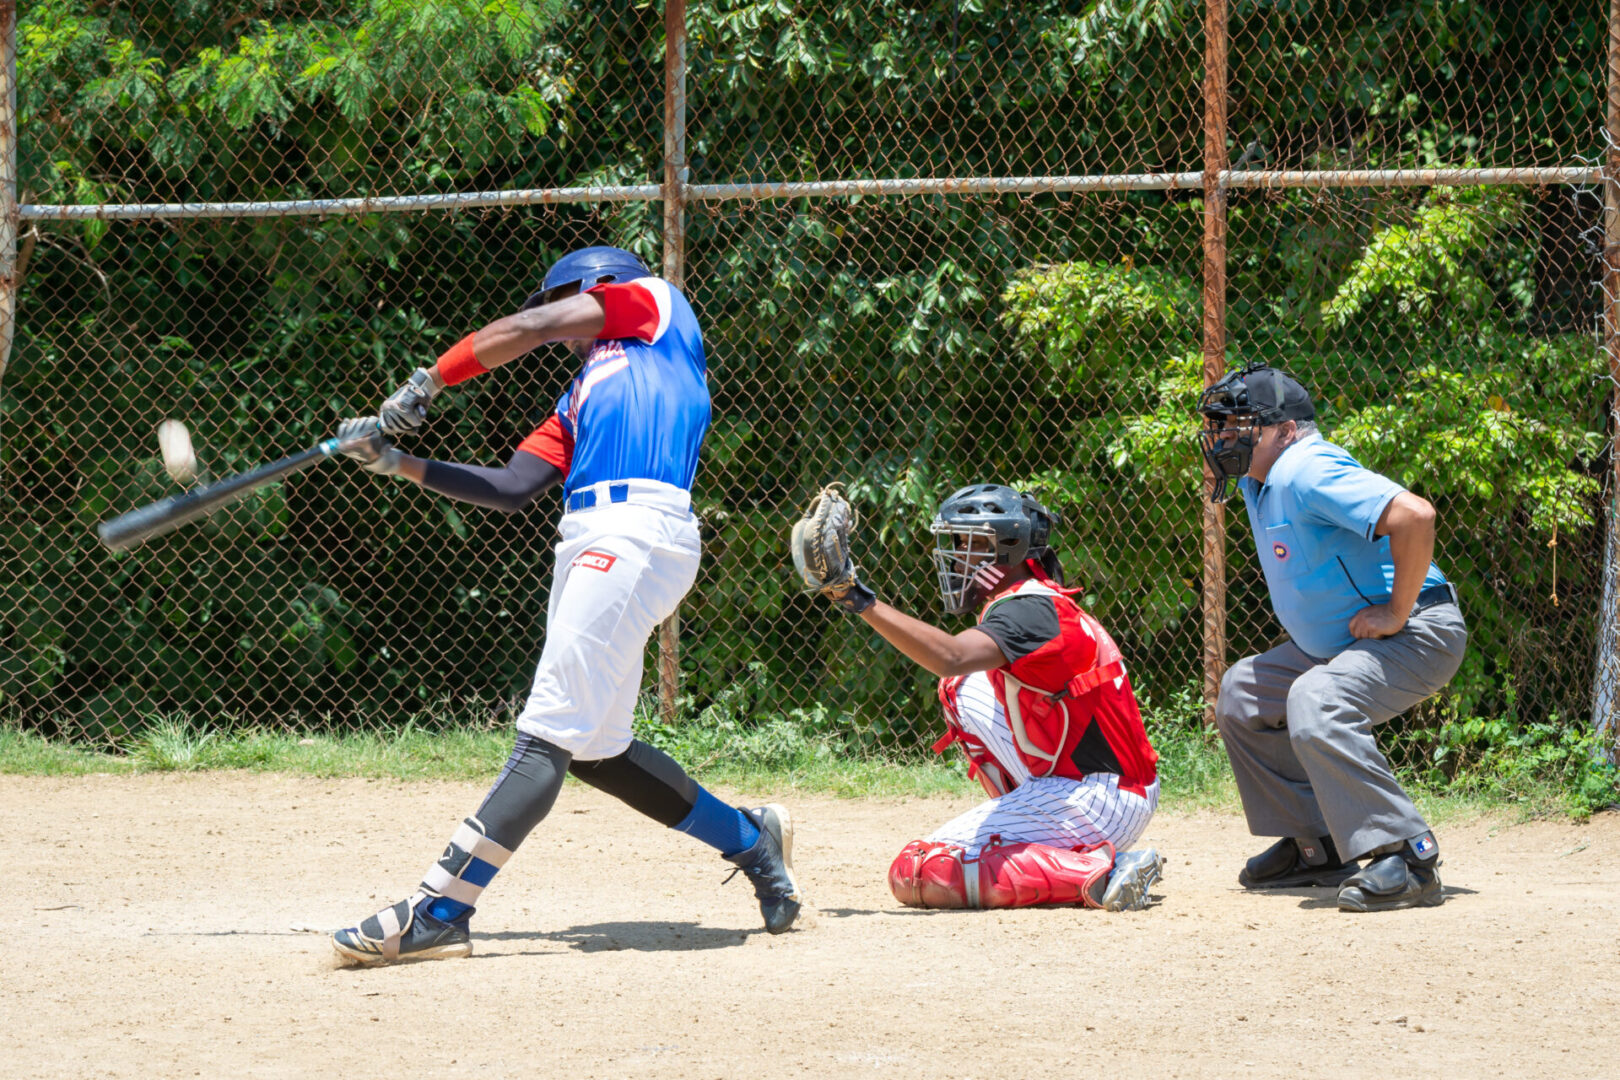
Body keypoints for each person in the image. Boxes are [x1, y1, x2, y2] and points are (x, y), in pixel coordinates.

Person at [328, 246, 801, 965]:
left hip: (636, 528)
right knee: (596, 751)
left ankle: (441, 908)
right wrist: (396, 462)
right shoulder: (580, 393)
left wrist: (428, 381)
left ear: (597, 287)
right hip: (589, 537)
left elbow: (539, 325)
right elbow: (513, 485)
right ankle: (750, 836)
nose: (561, 323)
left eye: (564, 303)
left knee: (545, 732)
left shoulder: (654, 306)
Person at [812, 483, 1164, 911]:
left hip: (1100, 799)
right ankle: (1037, 834)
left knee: (918, 872)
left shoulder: (1030, 611)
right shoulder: (1029, 600)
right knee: (962, 689)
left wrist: (856, 598)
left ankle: (1105, 872)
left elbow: (949, 655)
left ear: (1007, 550)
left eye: (968, 543)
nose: (956, 555)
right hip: (1095, 784)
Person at [1197, 362, 1467, 913]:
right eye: (1220, 427)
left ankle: (1407, 856)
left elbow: (1415, 516)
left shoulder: (1305, 466)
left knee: (1315, 698)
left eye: (1238, 425)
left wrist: (1397, 610)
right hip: (1342, 647)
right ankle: (1317, 846)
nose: (1224, 437)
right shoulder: (1261, 478)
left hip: (1419, 634)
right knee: (1243, 694)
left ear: (1286, 430)